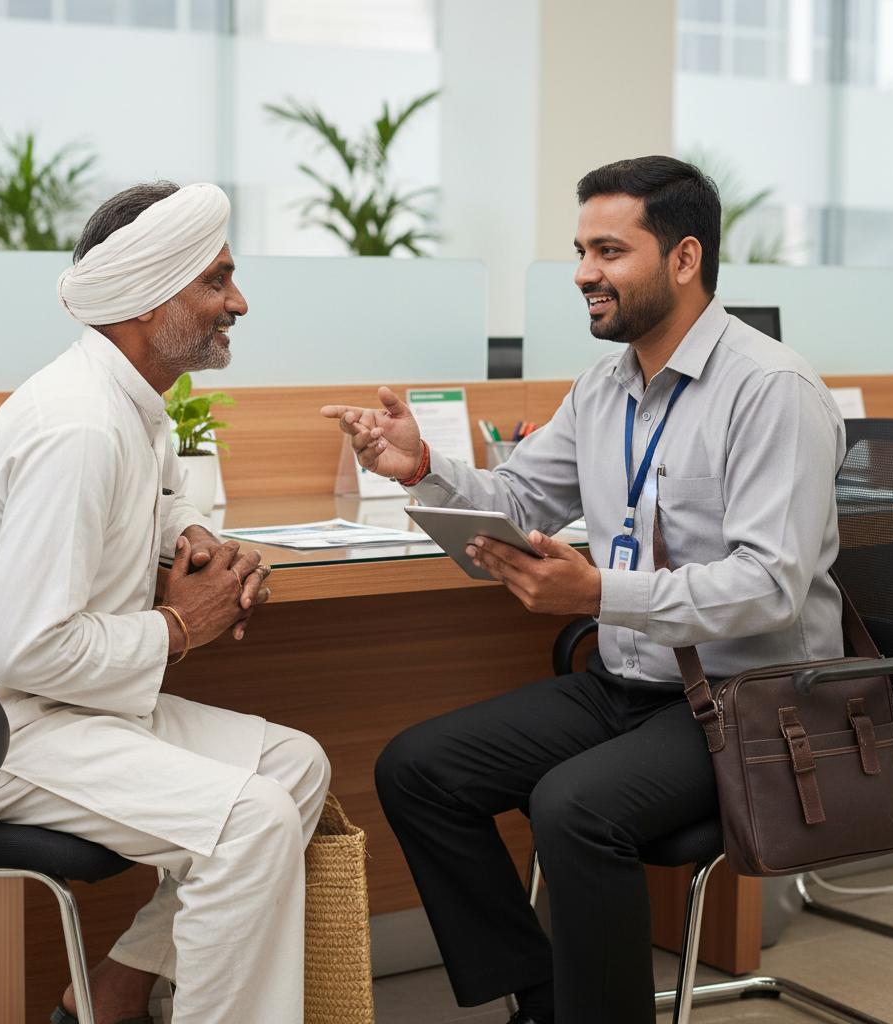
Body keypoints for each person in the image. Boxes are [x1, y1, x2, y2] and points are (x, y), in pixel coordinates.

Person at [321, 156, 845, 1024]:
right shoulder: (607, 386)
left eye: (608, 250)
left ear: (683, 259)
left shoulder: (770, 391)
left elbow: (770, 587)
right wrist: (422, 467)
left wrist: (601, 593)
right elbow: (523, 499)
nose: (582, 275)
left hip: (748, 700)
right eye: (579, 250)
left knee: (574, 808)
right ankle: (545, 1001)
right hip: (629, 682)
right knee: (417, 769)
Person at [0, 181, 330, 1024]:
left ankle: (110, 994)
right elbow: (31, 650)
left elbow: (154, 502)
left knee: (294, 767)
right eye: (216, 281)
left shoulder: (133, 404)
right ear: (147, 297)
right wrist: (178, 626)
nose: (237, 302)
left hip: (57, 710)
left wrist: (193, 537)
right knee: (254, 822)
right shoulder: (80, 427)